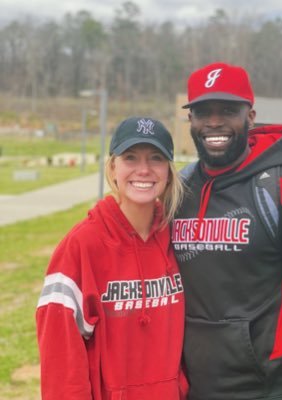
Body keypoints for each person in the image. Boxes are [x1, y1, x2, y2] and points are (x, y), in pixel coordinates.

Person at [172, 62, 282, 400]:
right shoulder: (178, 191)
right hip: (196, 385)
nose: (214, 122)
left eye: (228, 110)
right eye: (202, 112)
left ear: (250, 116)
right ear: (191, 120)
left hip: (274, 386)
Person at [36, 117, 188, 399]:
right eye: (130, 157)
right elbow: (60, 357)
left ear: (169, 170)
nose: (143, 170)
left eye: (156, 158)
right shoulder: (82, 245)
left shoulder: (177, 239)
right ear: (113, 167)